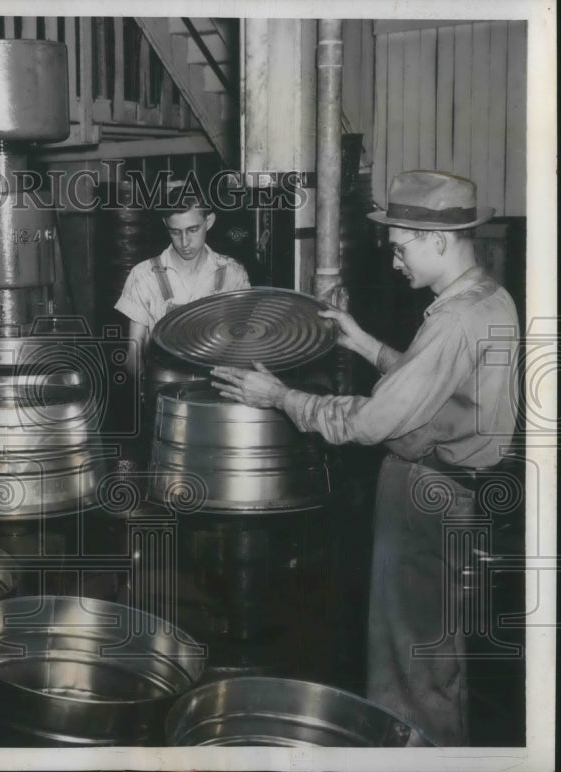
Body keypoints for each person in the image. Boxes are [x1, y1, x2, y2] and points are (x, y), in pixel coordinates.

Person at [210, 170, 519, 746]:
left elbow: (374, 421)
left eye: (401, 249)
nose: (396, 262)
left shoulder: (451, 319)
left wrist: (281, 397)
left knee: (407, 663)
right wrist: (365, 344)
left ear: (439, 241)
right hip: (457, 492)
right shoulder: (488, 299)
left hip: (423, 497)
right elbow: (441, 393)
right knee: (436, 656)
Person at [114, 183, 250, 380]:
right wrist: (144, 385)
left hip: (217, 390)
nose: (184, 242)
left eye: (193, 229)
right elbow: (134, 350)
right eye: (176, 232)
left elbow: (243, 343)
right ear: (165, 225)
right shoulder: (144, 275)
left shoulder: (232, 273)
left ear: (209, 221)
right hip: (165, 389)